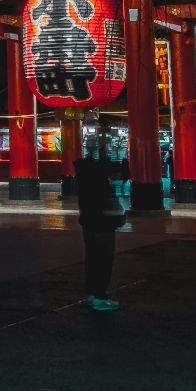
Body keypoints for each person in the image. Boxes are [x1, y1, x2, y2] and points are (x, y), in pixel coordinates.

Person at [76, 129, 125, 311]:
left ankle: (93, 293)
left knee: (92, 258)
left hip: (88, 220)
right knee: (104, 259)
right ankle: (100, 295)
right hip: (102, 222)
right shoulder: (100, 175)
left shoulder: (82, 170)